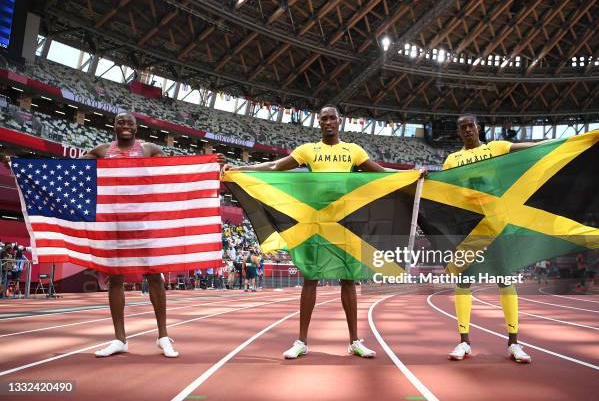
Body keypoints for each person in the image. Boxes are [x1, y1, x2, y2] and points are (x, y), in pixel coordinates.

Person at [224, 105, 394, 359]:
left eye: (332, 118)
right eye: (323, 119)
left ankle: (354, 341)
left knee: (348, 279)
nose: (328, 123)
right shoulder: (308, 150)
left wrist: (411, 174)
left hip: (345, 221)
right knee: (310, 278)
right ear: (319, 122)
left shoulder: (354, 151)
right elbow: (274, 168)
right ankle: (301, 341)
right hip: (316, 220)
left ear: (340, 121)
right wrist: (239, 170)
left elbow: (381, 174)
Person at [81, 112, 223, 358]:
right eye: (120, 122)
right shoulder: (103, 150)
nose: (125, 126)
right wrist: (24, 165)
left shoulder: (149, 149)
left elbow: (173, 174)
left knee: (154, 275)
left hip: (145, 222)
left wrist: (210, 162)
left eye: (129, 123)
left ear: (136, 128)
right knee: (116, 278)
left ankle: (163, 336)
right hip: (115, 222)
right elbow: (71, 167)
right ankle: (119, 339)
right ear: (113, 126)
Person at [443, 114, 533, 363]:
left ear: (478, 128)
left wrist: (556, 144)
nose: (467, 130)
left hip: (497, 224)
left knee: (505, 280)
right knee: (463, 282)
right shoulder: (452, 160)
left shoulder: (496, 148)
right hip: (467, 228)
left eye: (470, 125)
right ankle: (464, 342)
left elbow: (526, 148)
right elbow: (442, 191)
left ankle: (514, 343)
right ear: (459, 133)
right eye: (462, 127)